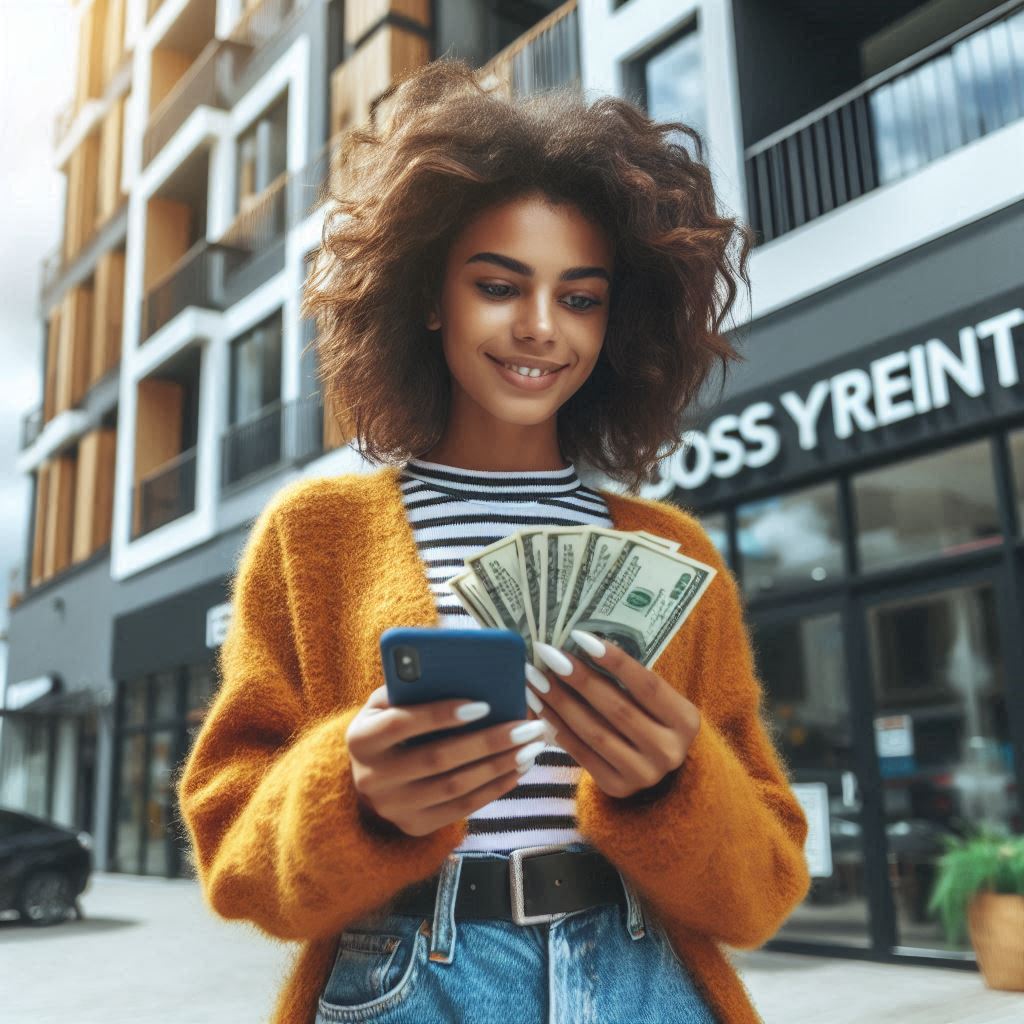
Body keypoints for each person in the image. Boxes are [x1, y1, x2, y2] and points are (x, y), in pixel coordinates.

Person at [177, 58, 811, 1024]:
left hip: (643, 979)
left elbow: (765, 886)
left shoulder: (675, 554)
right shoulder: (315, 539)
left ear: (617, 318)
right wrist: (353, 789)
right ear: (430, 297)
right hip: (410, 980)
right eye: (499, 285)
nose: (541, 328)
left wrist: (678, 783)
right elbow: (233, 856)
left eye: (581, 297)